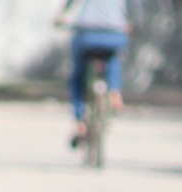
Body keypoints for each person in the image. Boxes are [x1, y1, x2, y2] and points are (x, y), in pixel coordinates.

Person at [55, 0, 144, 147]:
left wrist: (60, 16)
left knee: (77, 77)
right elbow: (136, 5)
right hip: (114, 33)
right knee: (114, 57)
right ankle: (115, 91)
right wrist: (135, 23)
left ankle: (79, 121)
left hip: (87, 33)